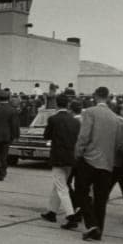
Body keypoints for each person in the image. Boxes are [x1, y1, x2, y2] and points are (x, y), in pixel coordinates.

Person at [72, 86, 123, 242]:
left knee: (81, 191)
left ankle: (91, 223)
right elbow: (119, 143)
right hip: (107, 162)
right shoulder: (116, 118)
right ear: (108, 97)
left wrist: (78, 152)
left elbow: (84, 136)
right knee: (101, 197)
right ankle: (99, 229)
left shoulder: (90, 112)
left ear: (95, 96)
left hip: (90, 159)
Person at [39, 94, 80, 228]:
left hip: (58, 156)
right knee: (59, 185)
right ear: (68, 105)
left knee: (61, 187)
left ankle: (70, 215)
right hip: (70, 157)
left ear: (57, 104)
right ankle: (52, 211)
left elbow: (47, 136)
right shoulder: (75, 121)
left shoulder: (53, 119)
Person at [0, 90, 20, 181]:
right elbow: (15, 125)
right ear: (8, 98)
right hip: (7, 135)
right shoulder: (12, 110)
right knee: (4, 154)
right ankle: (3, 168)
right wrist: (16, 136)